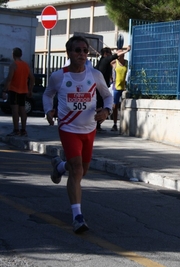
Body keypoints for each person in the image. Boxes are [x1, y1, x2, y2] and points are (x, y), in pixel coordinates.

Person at [42, 35, 113, 233]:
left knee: (83, 169)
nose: (82, 54)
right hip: (68, 128)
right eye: (77, 50)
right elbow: (48, 94)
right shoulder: (59, 76)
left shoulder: (95, 75)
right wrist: (49, 111)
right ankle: (77, 217)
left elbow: (107, 96)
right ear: (69, 53)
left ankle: (59, 165)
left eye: (84, 50)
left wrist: (106, 111)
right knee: (76, 169)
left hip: (89, 129)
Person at [95, 45, 131, 132]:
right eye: (109, 53)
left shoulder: (105, 62)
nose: (110, 54)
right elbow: (116, 55)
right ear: (105, 54)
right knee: (100, 106)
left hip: (102, 86)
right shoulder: (105, 60)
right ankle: (96, 125)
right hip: (99, 87)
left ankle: (97, 125)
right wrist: (127, 50)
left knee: (100, 105)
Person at [4, 47, 35, 137]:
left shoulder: (13, 65)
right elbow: (32, 78)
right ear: (21, 55)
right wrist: (30, 89)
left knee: (15, 110)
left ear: (13, 55)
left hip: (14, 90)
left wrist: (4, 90)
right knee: (22, 110)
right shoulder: (26, 65)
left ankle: (16, 129)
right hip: (24, 90)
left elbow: (9, 78)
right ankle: (23, 130)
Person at [110, 50, 128, 131]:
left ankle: (123, 124)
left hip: (124, 87)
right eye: (121, 55)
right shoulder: (114, 62)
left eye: (123, 55)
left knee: (123, 106)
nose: (122, 56)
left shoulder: (126, 62)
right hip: (116, 87)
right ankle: (114, 124)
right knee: (115, 106)